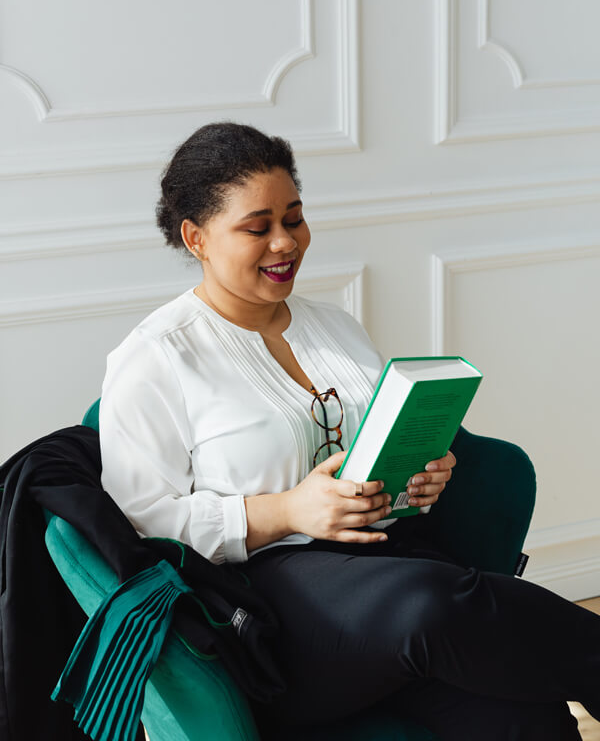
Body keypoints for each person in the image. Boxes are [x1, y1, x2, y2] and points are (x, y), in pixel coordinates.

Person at [99, 122, 599, 740]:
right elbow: (137, 529)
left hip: (393, 570)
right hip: (269, 613)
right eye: (257, 227)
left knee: (524, 713)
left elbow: (377, 455)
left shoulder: (335, 327)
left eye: (295, 218)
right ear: (196, 237)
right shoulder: (156, 358)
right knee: (430, 603)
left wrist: (421, 474)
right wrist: (287, 511)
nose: (285, 242)